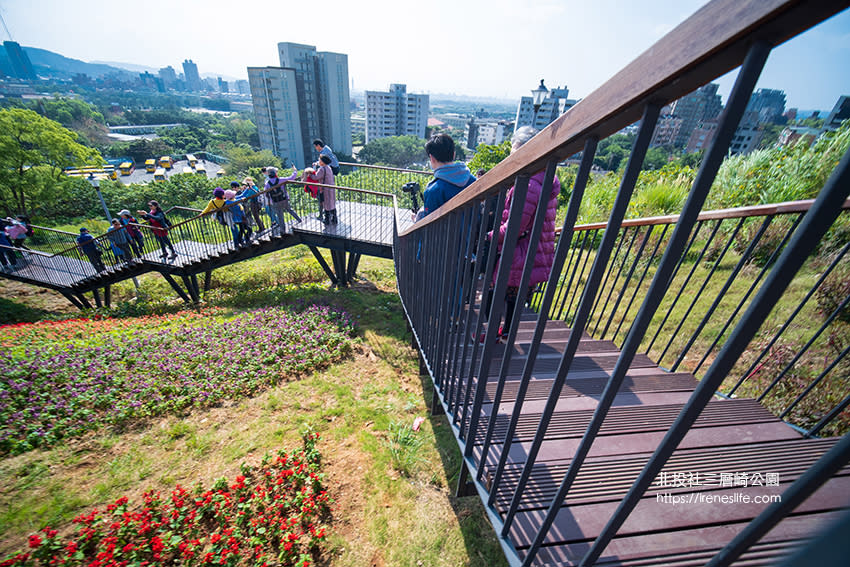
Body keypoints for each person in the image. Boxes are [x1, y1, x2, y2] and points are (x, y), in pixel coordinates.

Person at [484, 126, 560, 344]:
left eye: (514, 150)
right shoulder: (545, 177)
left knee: (494, 293)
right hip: (534, 250)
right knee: (515, 298)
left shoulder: (528, 183)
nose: (512, 156)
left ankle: (492, 336)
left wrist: (488, 236)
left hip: (521, 250)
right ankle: (506, 334)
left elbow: (514, 227)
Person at [417, 133, 476, 221]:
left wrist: (417, 218)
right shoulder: (473, 180)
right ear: (453, 155)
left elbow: (428, 224)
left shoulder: (433, 190)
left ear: (432, 158)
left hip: (443, 235)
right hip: (470, 233)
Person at [265, 166, 301, 235]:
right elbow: (292, 178)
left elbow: (265, 192)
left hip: (275, 201)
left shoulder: (267, 183)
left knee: (280, 216)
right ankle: (299, 220)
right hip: (284, 199)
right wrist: (295, 170)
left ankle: (283, 230)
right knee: (290, 210)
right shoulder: (281, 180)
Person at [314, 155, 337, 224]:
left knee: (326, 204)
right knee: (331, 203)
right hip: (331, 187)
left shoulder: (321, 169)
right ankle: (334, 219)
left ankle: (327, 220)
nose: (318, 161)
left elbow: (316, 177)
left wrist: (309, 174)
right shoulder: (328, 167)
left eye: (319, 160)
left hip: (325, 189)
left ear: (322, 162)